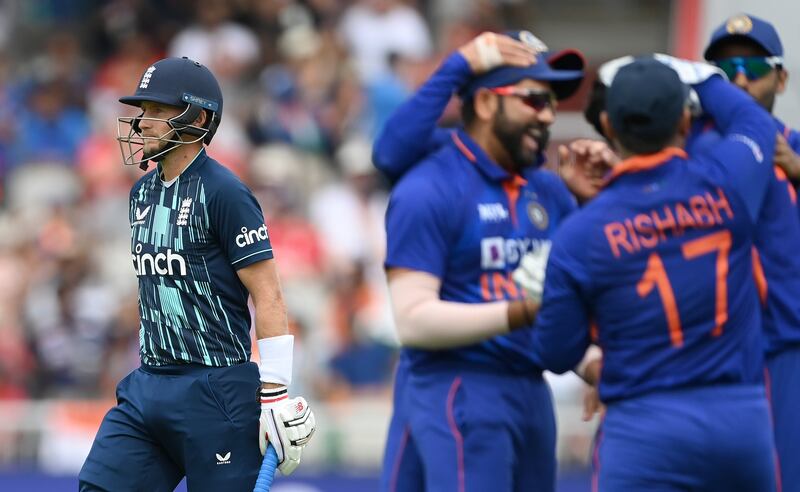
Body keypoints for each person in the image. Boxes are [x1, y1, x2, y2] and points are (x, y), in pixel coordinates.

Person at [532, 57, 777, 491]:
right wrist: (700, 75)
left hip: (643, 430)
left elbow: (554, 351)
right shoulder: (728, 184)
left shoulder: (582, 232)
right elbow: (754, 121)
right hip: (740, 423)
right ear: (685, 119)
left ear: (607, 124)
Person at [78, 57, 316, 491]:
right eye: (141, 110)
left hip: (216, 390)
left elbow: (269, 294)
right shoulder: (141, 193)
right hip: (147, 383)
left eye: (155, 110)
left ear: (197, 118)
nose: (142, 122)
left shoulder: (225, 192)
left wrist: (276, 391)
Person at [380, 30, 599, 492]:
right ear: (484, 104)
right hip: (457, 385)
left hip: (530, 390)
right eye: (534, 100)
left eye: (552, 104)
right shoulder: (429, 187)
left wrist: (601, 365)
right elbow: (414, 322)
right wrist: (524, 312)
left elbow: (561, 304)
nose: (549, 117)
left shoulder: (550, 189)